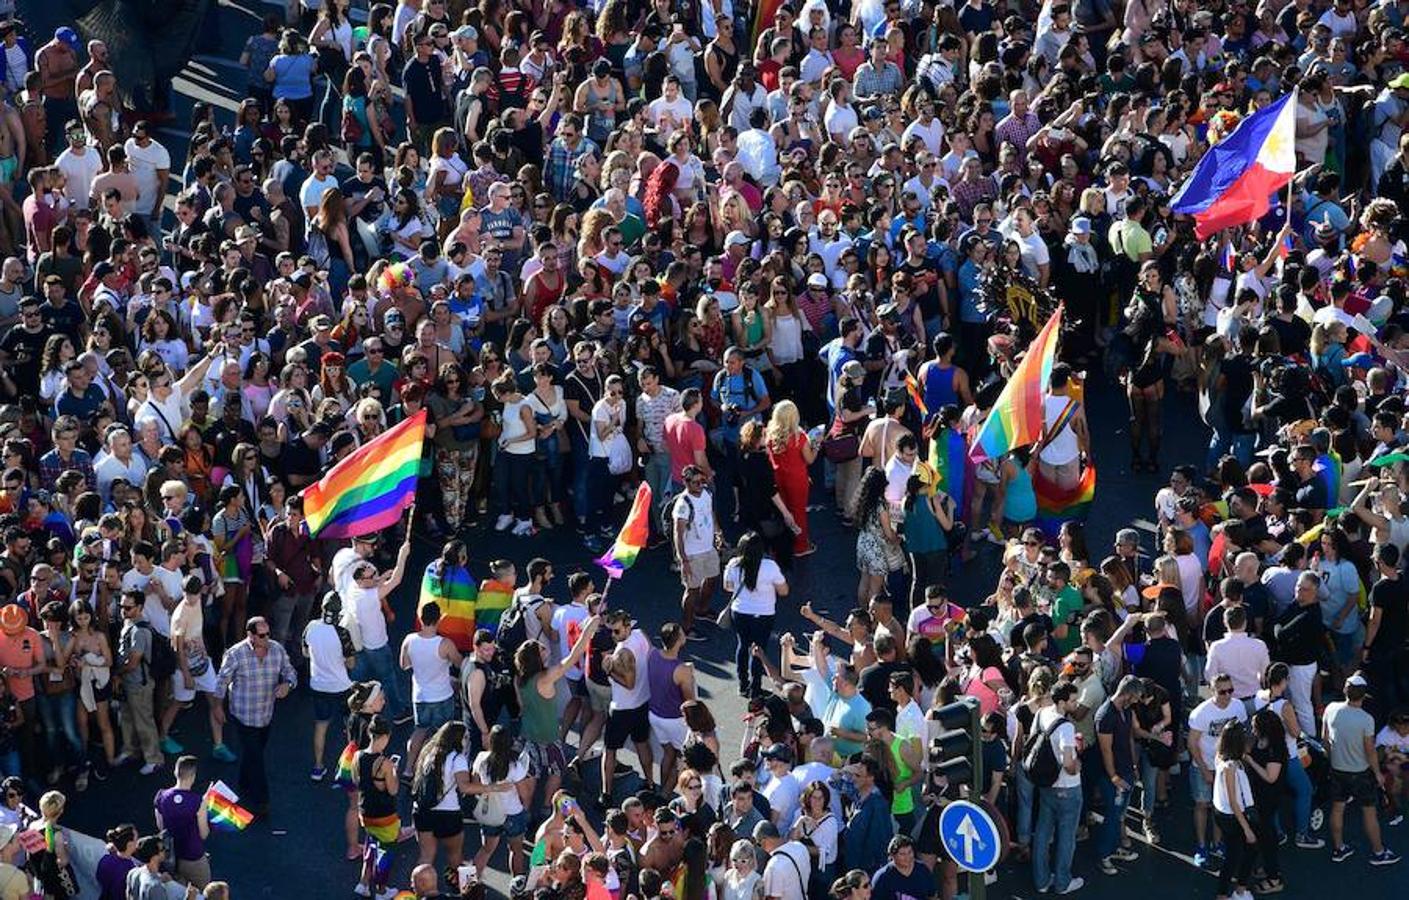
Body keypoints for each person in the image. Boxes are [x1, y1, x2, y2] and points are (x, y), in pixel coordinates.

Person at [213, 616, 298, 819]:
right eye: (262, 635)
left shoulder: (277, 650)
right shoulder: (235, 654)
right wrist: (217, 707)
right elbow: (222, 681)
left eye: (268, 633)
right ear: (250, 635)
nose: (267, 638)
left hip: (265, 714)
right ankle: (262, 802)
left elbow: (290, 672)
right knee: (257, 757)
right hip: (242, 715)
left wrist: (288, 684)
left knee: (255, 752)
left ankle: (244, 780)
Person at [1324, 673, 1401, 865]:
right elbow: (1370, 751)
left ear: (1345, 690)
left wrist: (1332, 759)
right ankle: (1378, 852)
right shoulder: (1366, 719)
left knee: (1337, 808)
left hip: (1337, 769)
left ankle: (1339, 848)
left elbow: (1325, 739)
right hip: (1361, 773)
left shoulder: (1331, 708)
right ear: (1363, 695)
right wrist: (1377, 773)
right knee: (1369, 812)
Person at [1031, 681, 1083, 896]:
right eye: (1072, 700)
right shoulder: (1066, 727)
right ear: (1062, 702)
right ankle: (1062, 882)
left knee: (1043, 833)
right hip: (1067, 788)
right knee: (1066, 836)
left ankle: (1041, 880)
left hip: (1046, 784)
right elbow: (1069, 764)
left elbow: (1033, 739)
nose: (1076, 703)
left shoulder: (1042, 714)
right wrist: (1077, 762)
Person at [152, 755, 211, 888]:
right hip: (193, 857)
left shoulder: (161, 796)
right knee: (204, 890)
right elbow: (204, 834)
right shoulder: (198, 801)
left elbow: (160, 827)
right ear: (193, 776)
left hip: (170, 855)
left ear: (175, 772)